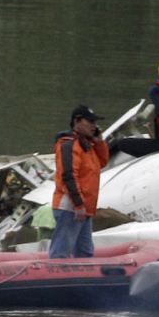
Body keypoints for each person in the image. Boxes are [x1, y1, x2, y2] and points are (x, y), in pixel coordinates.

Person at [49, 105, 108, 259]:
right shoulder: (68, 144)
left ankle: (83, 281)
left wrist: (99, 141)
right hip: (71, 208)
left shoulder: (87, 145)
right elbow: (68, 175)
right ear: (77, 121)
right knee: (61, 253)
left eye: (95, 122)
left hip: (84, 209)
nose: (94, 125)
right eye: (90, 122)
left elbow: (102, 162)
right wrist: (78, 204)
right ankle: (57, 280)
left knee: (85, 253)